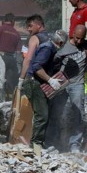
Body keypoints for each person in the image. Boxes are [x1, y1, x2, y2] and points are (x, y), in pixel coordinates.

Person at [48, 25, 87, 152]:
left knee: (78, 114)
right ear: (72, 35)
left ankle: (75, 144)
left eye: (81, 39)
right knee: (60, 112)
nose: (79, 41)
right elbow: (53, 62)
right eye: (77, 38)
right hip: (62, 84)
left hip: (78, 84)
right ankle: (56, 142)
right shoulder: (64, 46)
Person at [18, 14, 64, 148]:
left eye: (30, 26)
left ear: (39, 24)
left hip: (38, 81)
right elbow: (35, 64)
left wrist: (22, 78)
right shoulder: (49, 39)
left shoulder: (35, 38)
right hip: (38, 80)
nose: (28, 29)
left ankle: (38, 143)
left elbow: (28, 60)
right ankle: (36, 145)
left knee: (42, 115)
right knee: (42, 114)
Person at [0, 13, 22, 94]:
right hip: (11, 59)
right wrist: (19, 66)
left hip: (0, 57)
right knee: (10, 82)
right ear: (13, 21)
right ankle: (10, 100)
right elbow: (19, 52)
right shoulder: (17, 34)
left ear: (4, 20)